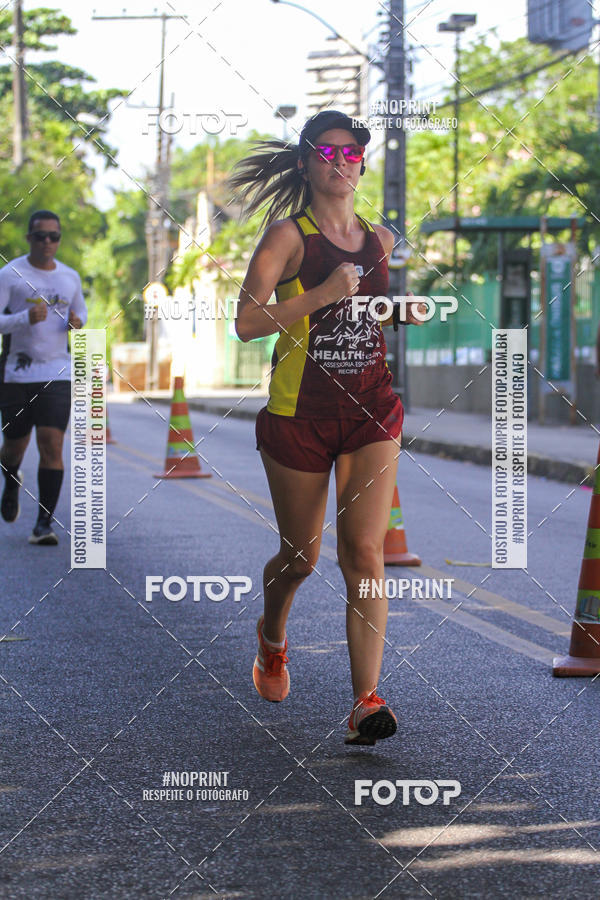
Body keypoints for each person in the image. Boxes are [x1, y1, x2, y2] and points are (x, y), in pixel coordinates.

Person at [231, 110, 426, 746]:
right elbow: (248, 322)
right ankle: (272, 637)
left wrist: (400, 310)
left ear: (361, 165)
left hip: (371, 409)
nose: (342, 162)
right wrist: (320, 294)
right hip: (299, 414)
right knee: (300, 557)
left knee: (364, 553)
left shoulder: (379, 241)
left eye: (352, 153)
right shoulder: (289, 236)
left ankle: (366, 700)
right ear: (306, 163)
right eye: (329, 152)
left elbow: (366, 310)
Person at [0, 210, 87, 545]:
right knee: (13, 447)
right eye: (41, 236)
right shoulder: (10, 274)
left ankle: (43, 525)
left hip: (56, 372)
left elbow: (81, 310)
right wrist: (22, 318)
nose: (48, 242)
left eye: (54, 236)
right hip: (16, 373)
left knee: (51, 444)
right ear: (29, 239)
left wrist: (78, 321)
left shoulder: (69, 277)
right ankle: (10, 480)